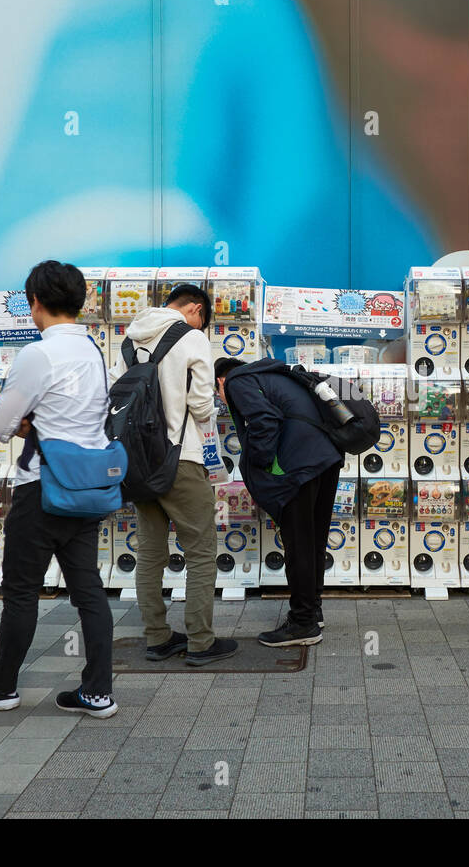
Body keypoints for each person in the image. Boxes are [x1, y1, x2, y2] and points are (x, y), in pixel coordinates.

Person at [0, 261, 119, 717]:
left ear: (35, 302)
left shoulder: (36, 355)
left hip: (40, 489)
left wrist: (29, 425)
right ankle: (97, 692)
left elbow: (2, 424)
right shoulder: (92, 352)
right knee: (89, 592)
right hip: (86, 490)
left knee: (22, 591)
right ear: (80, 302)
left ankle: (0, 686)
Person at [109, 284, 237, 666]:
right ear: (195, 309)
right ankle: (200, 641)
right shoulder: (192, 336)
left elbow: (114, 398)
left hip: (137, 461)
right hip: (181, 458)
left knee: (150, 553)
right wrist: (209, 420)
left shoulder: (130, 341)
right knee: (200, 551)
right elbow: (200, 403)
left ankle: (158, 638)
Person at [215, 356, 342, 646]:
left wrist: (259, 464)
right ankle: (313, 610)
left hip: (299, 466)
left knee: (298, 545)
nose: (221, 398)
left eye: (216, 392)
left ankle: (302, 624)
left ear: (220, 380)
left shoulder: (237, 381)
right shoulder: (276, 375)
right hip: (327, 458)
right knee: (313, 541)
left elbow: (264, 420)